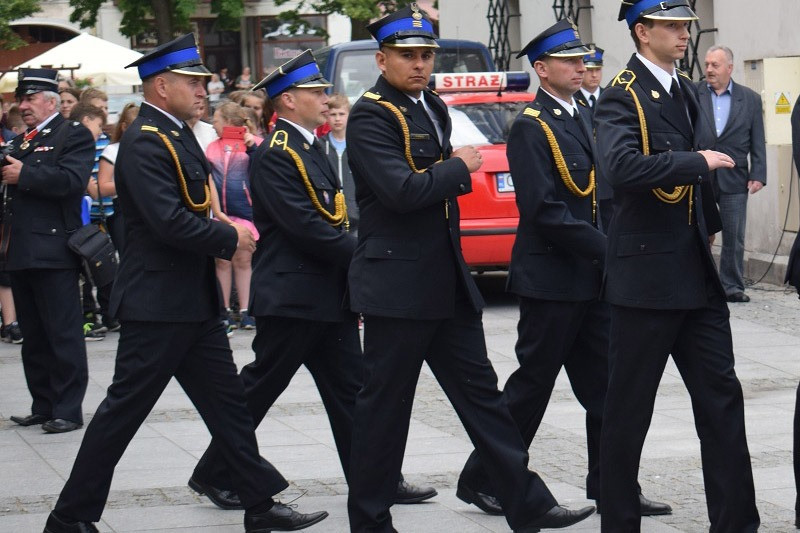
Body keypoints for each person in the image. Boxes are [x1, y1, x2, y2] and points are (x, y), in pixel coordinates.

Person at [42, 33, 328, 533]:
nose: (203, 90)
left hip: (189, 300)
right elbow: (169, 222)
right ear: (159, 87)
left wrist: (224, 232)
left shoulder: (174, 135)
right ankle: (70, 517)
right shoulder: (146, 142)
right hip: (157, 303)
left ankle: (259, 504)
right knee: (121, 415)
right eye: (192, 83)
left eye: (203, 82)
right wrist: (230, 235)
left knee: (229, 408)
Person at [345, 5, 595, 532]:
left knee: (485, 402)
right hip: (397, 287)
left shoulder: (430, 105)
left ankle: (526, 503)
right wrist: (459, 166)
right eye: (408, 56)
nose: (419, 64)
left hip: (446, 283)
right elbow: (400, 191)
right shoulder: (372, 114)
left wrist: (451, 168)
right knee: (384, 411)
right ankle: (369, 519)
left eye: (426, 55)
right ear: (382, 58)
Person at [189, 49, 436, 513]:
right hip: (294, 294)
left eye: (324, 91)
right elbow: (307, 226)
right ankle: (216, 471)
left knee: (353, 393)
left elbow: (333, 218)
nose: (325, 99)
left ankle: (378, 476)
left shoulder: (312, 145)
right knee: (259, 389)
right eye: (314, 92)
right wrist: (367, 257)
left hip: (326, 294)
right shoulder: (276, 153)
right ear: (286, 102)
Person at [457, 18, 670, 520]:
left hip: (590, 277)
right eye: (571, 61)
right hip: (552, 278)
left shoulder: (581, 115)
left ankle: (613, 485)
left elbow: (601, 195)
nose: (582, 67)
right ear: (541, 68)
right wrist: (609, 249)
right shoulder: (532, 126)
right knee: (533, 385)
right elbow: (544, 210)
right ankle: (483, 478)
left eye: (584, 60)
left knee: (607, 389)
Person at [594, 1, 760, 531]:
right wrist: (696, 163)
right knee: (627, 414)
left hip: (694, 275)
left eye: (686, 25)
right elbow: (619, 168)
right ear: (642, 32)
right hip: (644, 280)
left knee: (722, 402)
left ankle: (736, 522)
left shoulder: (686, 90)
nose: (683, 34)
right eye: (670, 26)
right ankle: (620, 521)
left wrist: (707, 218)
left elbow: (702, 172)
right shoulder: (622, 93)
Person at [1, 68, 95, 434]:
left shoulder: (72, 136)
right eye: (20, 100)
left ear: (51, 101)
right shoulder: (22, 140)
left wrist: (25, 175)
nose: (22, 106)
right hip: (20, 246)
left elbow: (72, 182)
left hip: (54, 247)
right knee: (35, 334)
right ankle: (43, 404)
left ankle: (68, 409)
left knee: (63, 331)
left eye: (29, 99)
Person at [697, 45, 766, 303]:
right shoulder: (694, 94)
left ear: (730, 68)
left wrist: (758, 173)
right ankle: (702, 283)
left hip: (734, 176)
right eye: (707, 64)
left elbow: (757, 138)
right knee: (700, 232)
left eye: (715, 65)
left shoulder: (749, 99)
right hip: (700, 174)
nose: (709, 70)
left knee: (734, 235)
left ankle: (731, 286)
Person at [206, 101, 262, 331]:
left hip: (246, 211)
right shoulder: (212, 147)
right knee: (222, 260)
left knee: (243, 259)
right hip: (220, 211)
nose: (212, 124)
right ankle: (225, 310)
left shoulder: (254, 143)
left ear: (228, 122)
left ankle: (247, 310)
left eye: (216, 120)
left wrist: (252, 148)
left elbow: (264, 171)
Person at [572, 46, 614, 230]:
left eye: (598, 69)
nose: (594, 75)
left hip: (610, 176)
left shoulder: (611, 96)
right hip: (586, 176)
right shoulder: (572, 99)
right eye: (589, 70)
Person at [96, 102, 139, 253]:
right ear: (124, 127)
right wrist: (133, 184)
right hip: (122, 210)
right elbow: (103, 186)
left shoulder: (148, 148)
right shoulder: (112, 150)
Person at [320, 93, 358, 234]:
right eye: (333, 114)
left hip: (356, 216)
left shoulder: (357, 144)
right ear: (327, 116)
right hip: (330, 217)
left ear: (349, 115)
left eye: (341, 114)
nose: (337, 119)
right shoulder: (320, 146)